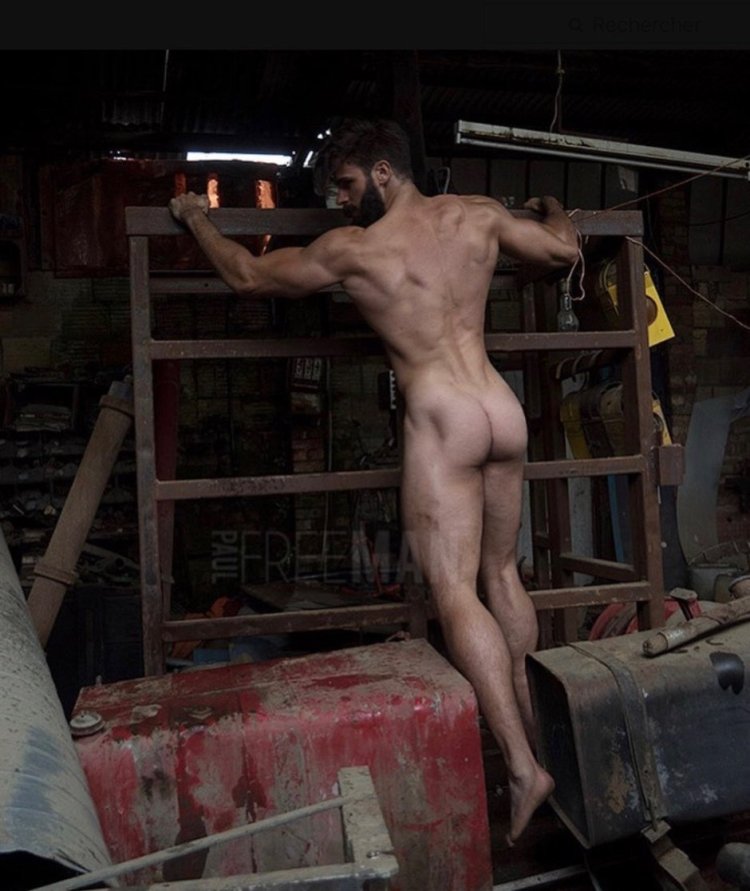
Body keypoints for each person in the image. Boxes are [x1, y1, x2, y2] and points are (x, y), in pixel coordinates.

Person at [168, 117, 580, 843]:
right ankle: (547, 748)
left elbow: (246, 274)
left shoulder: (355, 251)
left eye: (348, 184)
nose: (340, 199)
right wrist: (552, 207)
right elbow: (564, 249)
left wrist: (197, 217)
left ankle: (524, 769)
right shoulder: (480, 214)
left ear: (385, 172)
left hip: (443, 418)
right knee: (502, 576)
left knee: (456, 592)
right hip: (500, 407)